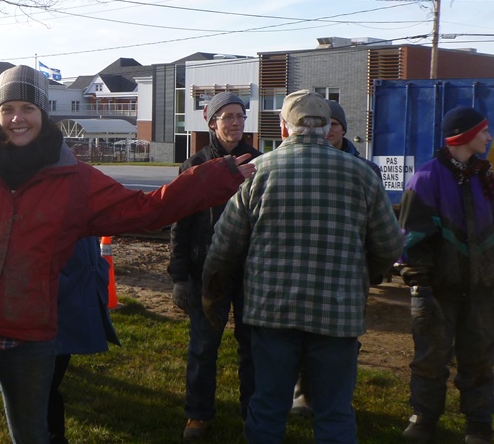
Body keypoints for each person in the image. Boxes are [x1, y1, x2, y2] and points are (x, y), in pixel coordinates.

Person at [0, 26, 256, 444]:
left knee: (33, 435)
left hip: (28, 333)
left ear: (43, 113)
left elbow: (149, 209)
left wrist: (218, 175)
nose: (17, 118)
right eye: (8, 108)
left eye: (28, 108)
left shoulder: (74, 180)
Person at [201, 89, 402, 444]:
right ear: (326, 128)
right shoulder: (362, 174)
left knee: (267, 406)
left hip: (272, 312)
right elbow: (389, 246)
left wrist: (211, 291)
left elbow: (224, 245)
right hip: (337, 314)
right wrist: (364, 274)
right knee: (335, 411)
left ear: (283, 128)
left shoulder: (256, 173)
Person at [398, 106, 494, 444]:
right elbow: (413, 239)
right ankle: (423, 420)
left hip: (483, 292)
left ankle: (479, 425)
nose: (489, 137)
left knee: (482, 359)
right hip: (438, 291)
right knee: (430, 359)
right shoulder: (426, 178)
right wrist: (420, 286)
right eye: (483, 131)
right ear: (465, 136)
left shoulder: (488, 178)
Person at [169, 92, 261, 440]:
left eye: (240, 116)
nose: (236, 123)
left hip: (251, 272)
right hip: (207, 271)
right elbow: (180, 221)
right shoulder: (195, 166)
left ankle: (252, 412)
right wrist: (179, 276)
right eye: (228, 117)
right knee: (204, 346)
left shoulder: (261, 163)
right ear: (212, 123)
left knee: (251, 346)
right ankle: (198, 415)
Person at [290, 98, 384, 417]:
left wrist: (373, 268)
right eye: (324, 124)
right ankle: (304, 392)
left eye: (335, 125)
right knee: (302, 335)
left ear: (342, 129)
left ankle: (334, 398)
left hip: (347, 272)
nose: (328, 131)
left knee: (341, 340)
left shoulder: (366, 170)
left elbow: (379, 229)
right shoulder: (302, 165)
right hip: (305, 269)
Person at [47, 236, 120, 444]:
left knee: (48, 380)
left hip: (69, 302)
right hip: (51, 302)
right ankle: (53, 436)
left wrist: (97, 274)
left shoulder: (78, 203)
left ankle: (53, 435)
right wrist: (59, 284)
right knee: (42, 384)